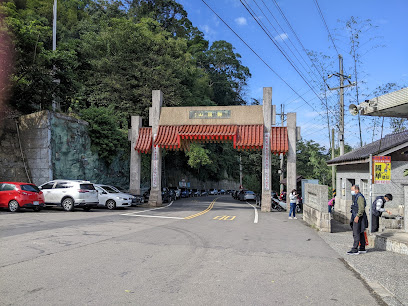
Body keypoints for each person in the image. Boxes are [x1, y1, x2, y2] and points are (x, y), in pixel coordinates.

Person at [347, 185, 368, 255]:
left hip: (358, 217)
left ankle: (355, 249)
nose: (351, 192)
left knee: (356, 233)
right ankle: (362, 247)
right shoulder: (357, 196)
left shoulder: (360, 197)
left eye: (352, 190)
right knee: (361, 231)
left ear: (356, 190)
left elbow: (361, 208)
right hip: (357, 216)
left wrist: (357, 216)